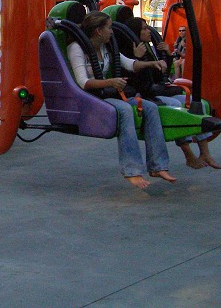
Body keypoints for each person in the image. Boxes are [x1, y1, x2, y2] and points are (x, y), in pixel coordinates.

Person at [68, 11, 176, 189]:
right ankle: (131, 170)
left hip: (106, 93)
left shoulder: (107, 46)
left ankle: (158, 166)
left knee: (149, 108)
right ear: (98, 31)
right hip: (88, 97)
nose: (112, 32)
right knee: (125, 111)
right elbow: (83, 82)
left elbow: (129, 64)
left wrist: (150, 63)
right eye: (109, 28)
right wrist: (110, 82)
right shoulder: (77, 48)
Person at [124, 17, 221, 170]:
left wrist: (167, 54)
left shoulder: (150, 48)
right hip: (144, 93)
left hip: (158, 89)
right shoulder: (130, 51)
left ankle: (205, 152)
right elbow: (137, 80)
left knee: (198, 103)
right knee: (176, 105)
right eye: (144, 28)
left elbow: (160, 75)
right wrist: (137, 58)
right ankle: (188, 154)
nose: (148, 31)